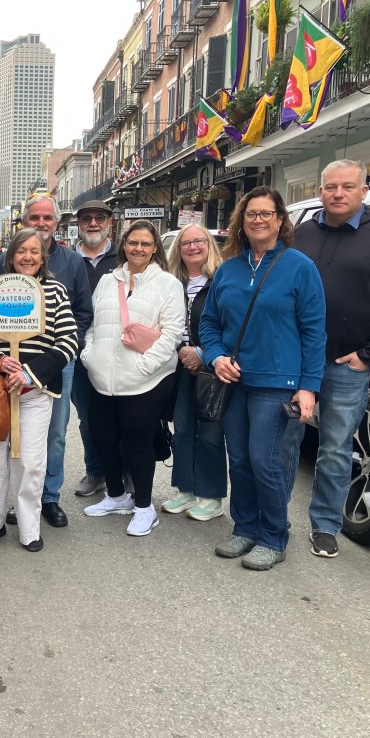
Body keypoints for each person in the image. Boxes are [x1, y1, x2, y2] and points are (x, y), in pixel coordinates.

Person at [286, 159, 370, 558]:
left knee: (335, 447)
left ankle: (326, 525)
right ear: (321, 190)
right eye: (330, 187)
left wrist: (369, 355)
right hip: (296, 363)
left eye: (347, 186)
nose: (338, 194)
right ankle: (272, 519)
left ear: (364, 191)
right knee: (285, 442)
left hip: (347, 365)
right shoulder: (303, 233)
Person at [200, 186, 326, 571]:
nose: (258, 220)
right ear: (242, 220)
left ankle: (274, 536)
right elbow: (210, 323)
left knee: (264, 460)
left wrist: (309, 387)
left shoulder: (300, 267)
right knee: (238, 460)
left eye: (266, 213)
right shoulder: (228, 269)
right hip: (234, 381)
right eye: (252, 213)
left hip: (279, 383)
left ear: (280, 221)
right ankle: (245, 527)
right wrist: (216, 356)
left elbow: (314, 331)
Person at [0, 228, 78, 551]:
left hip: (35, 392)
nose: (28, 257)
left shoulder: (55, 292)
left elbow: (68, 341)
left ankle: (29, 528)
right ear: (10, 256)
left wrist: (29, 373)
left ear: (43, 258)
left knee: (30, 462)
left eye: (35, 251)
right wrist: (0, 362)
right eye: (22, 251)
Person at [81, 220, 184, 537]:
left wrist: (146, 365)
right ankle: (115, 496)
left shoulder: (168, 284)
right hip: (101, 377)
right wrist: (89, 354)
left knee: (138, 443)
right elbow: (93, 325)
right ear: (123, 245)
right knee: (104, 438)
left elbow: (172, 333)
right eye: (133, 242)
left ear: (155, 248)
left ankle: (144, 508)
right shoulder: (107, 282)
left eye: (145, 243)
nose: (138, 248)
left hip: (146, 380)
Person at [2, 194, 92, 530]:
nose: (41, 224)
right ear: (25, 221)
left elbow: (83, 313)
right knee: (18, 432)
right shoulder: (8, 258)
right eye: (34, 218)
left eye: (47, 219)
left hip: (58, 361)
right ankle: (19, 499)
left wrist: (64, 348)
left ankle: (49, 497)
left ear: (57, 222)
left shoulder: (73, 261)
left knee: (54, 433)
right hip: (15, 360)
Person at [163, 224, 228, 521]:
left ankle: (211, 496)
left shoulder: (221, 279)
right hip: (178, 366)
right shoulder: (171, 281)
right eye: (185, 243)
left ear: (209, 245)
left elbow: (232, 323)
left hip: (211, 367)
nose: (192, 247)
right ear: (178, 249)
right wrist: (180, 350)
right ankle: (186, 490)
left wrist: (201, 353)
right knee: (184, 431)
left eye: (199, 241)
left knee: (211, 433)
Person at [70, 200, 121, 498]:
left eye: (99, 218)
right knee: (87, 416)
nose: (93, 223)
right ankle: (96, 472)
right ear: (78, 224)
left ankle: (125, 472)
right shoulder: (65, 258)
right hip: (77, 350)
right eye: (86, 218)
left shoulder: (123, 256)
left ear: (109, 222)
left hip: (116, 350)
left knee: (121, 414)